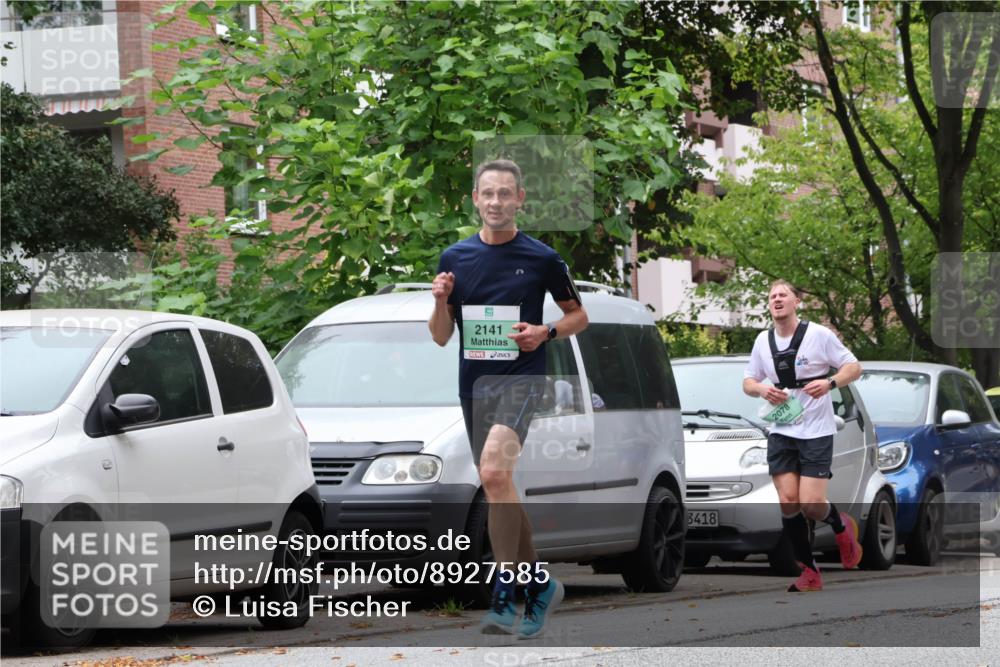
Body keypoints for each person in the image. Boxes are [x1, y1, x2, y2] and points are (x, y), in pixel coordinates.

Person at [428, 159, 588, 637]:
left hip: (523, 379)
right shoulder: (454, 259)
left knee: (494, 474)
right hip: (474, 385)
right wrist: (439, 300)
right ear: (475, 200)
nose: (496, 202)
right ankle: (539, 585)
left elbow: (579, 316)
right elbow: (440, 337)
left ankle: (504, 595)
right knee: (501, 486)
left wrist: (545, 331)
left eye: (505, 194)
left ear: (520, 199)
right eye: (488, 194)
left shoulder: (542, 258)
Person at [742, 279, 864, 592]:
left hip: (816, 431)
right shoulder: (762, 341)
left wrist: (830, 383)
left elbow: (854, 367)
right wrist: (762, 389)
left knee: (810, 504)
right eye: (772, 296)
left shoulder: (818, 335)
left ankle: (840, 525)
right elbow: (748, 381)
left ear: (797, 301)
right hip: (781, 429)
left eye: (783, 294)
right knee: (788, 501)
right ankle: (809, 572)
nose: (777, 299)